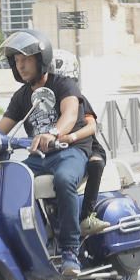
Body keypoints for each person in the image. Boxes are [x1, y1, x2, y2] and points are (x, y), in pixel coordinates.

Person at [0, 30, 91, 277]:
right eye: (17, 61)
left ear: (41, 58)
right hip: (40, 157)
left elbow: (70, 115)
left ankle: (70, 250)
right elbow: (0, 129)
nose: (21, 65)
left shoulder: (63, 84)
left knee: (64, 180)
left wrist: (53, 133)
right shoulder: (22, 97)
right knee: (11, 182)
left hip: (70, 150)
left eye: (26, 59)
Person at [51, 49, 110, 236]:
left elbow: (92, 127)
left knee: (95, 164)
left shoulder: (78, 99)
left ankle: (87, 216)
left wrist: (72, 137)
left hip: (85, 146)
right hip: (59, 149)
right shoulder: (44, 102)